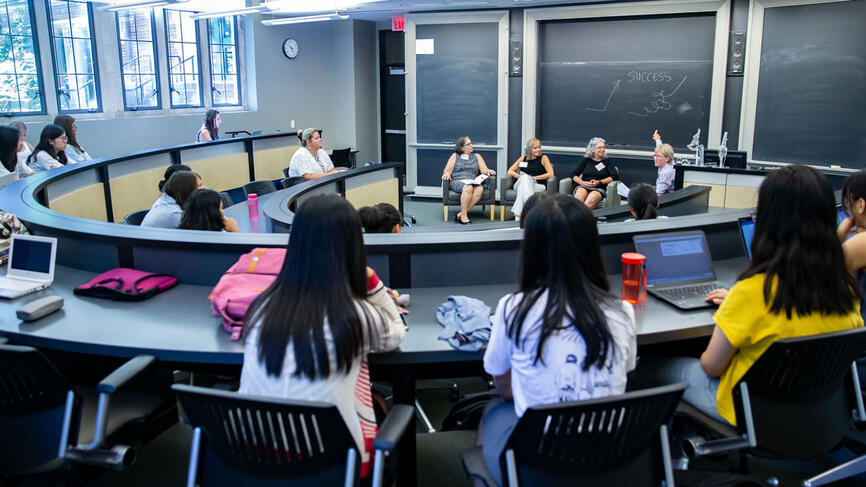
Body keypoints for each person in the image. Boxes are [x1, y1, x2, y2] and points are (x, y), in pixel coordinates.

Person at [642, 165, 863, 425]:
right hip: (816, 410)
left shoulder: (752, 292)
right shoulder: (845, 288)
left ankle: (669, 455)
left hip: (753, 412)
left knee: (647, 366)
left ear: (769, 222)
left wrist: (734, 309)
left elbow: (711, 367)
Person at [239, 194, 406, 478]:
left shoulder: (260, 308)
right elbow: (395, 332)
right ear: (353, 247)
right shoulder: (353, 316)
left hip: (253, 466)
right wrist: (371, 281)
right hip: (329, 469)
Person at [479, 194, 637, 486]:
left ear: (531, 249)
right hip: (606, 459)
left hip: (539, 463)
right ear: (592, 246)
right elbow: (624, 372)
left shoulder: (513, 308)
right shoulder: (622, 311)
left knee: (493, 409)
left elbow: (503, 384)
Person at [442, 136, 496, 224]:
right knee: (468, 187)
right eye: (469, 144)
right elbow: (447, 170)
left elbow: (484, 170)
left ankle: (462, 213)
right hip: (457, 181)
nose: (472, 145)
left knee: (480, 189)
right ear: (462, 147)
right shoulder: (455, 156)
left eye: (471, 143)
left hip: (472, 181)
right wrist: (447, 173)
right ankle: (464, 217)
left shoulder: (477, 156)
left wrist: (488, 171)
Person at [837, 171, 866, 319]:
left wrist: (838, 237)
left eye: (848, 205)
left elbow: (819, 272)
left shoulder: (862, 243)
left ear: (861, 205)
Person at [506, 137, 554, 220]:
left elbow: (551, 174)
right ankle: (532, 209)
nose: (538, 150)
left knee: (522, 188)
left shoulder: (543, 158)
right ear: (529, 149)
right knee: (525, 178)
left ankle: (518, 215)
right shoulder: (523, 158)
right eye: (535, 148)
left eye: (539, 147)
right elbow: (510, 171)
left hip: (538, 185)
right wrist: (522, 177)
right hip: (520, 182)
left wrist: (534, 178)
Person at [570, 137, 617, 209]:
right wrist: (582, 182)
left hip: (599, 188)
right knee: (579, 196)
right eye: (599, 148)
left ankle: (583, 218)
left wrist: (599, 182)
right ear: (592, 149)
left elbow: (614, 176)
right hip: (584, 185)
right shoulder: (586, 160)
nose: (603, 150)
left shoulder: (608, 161)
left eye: (604, 147)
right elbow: (573, 174)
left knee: (592, 198)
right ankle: (576, 218)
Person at [652, 130, 676, 195]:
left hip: (666, 201)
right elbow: (660, 148)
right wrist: (657, 139)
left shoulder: (665, 173)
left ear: (667, 158)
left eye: (658, 156)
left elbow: (658, 194)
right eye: (655, 155)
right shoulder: (671, 163)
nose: (655, 159)